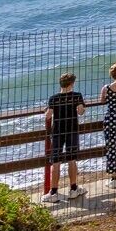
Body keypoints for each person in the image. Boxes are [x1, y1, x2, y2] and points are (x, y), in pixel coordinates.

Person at [44, 72, 86, 201]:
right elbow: (80, 112)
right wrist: (83, 107)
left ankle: (54, 192)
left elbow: (48, 116)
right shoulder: (77, 96)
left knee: (55, 162)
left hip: (57, 132)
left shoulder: (54, 98)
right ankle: (73, 189)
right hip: (72, 130)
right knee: (71, 160)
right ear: (72, 83)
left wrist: (47, 110)